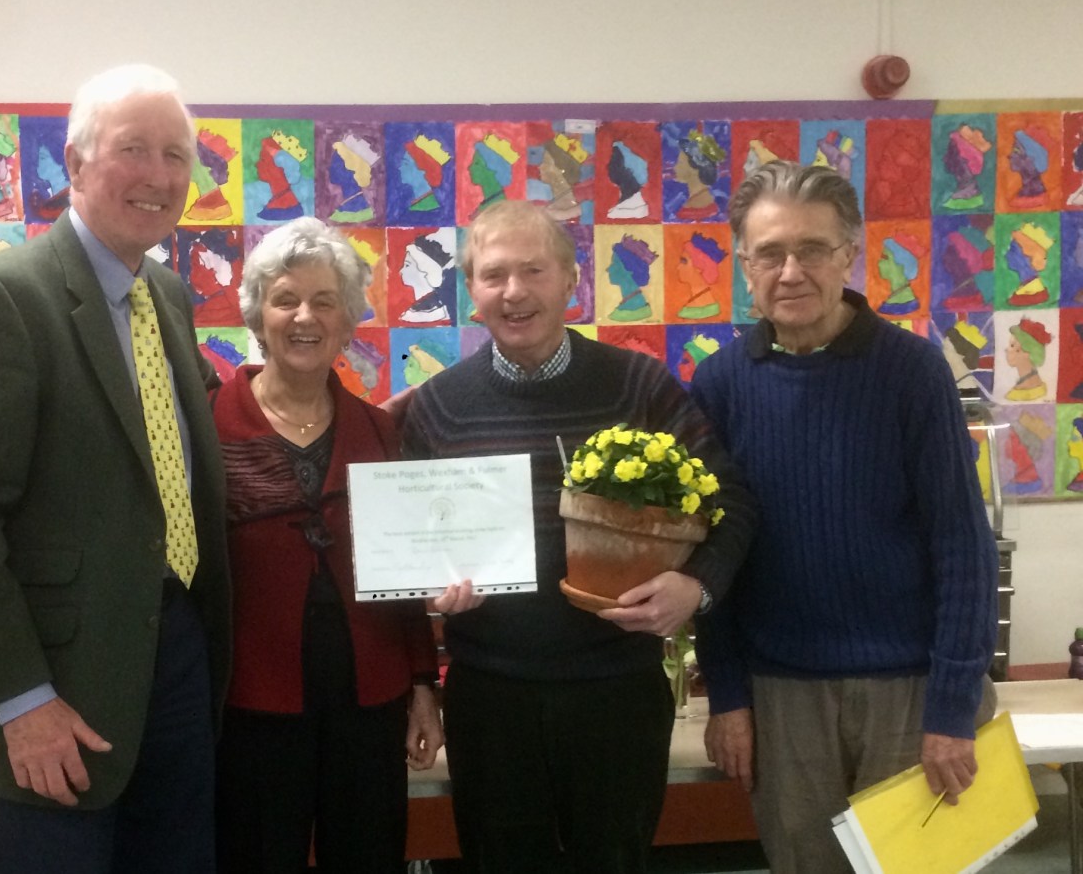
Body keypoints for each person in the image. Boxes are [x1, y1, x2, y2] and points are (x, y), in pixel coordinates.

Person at [0, 64, 232, 874]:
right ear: (77, 162)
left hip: (177, 656)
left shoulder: (168, 296)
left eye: (176, 155)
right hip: (54, 689)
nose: (158, 175)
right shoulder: (1, 297)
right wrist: (22, 701)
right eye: (133, 149)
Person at [401, 199, 755, 874]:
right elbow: (409, 552)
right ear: (471, 290)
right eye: (494, 274)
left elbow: (732, 500)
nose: (514, 291)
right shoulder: (438, 406)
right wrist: (427, 605)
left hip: (617, 693)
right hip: (490, 701)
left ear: (571, 279)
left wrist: (696, 587)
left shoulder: (639, 386)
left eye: (533, 270)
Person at [692, 160, 998, 874]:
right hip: (781, 696)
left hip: (909, 690)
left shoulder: (913, 372)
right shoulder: (720, 383)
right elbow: (712, 553)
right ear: (744, 265)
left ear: (849, 255)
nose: (791, 271)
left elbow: (962, 546)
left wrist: (952, 709)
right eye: (770, 253)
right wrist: (728, 695)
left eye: (813, 249)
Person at [210, 216, 442, 873]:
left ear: (347, 321)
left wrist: (422, 683)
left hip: (370, 699)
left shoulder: (380, 431)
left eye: (324, 301)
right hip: (251, 704)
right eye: (285, 299)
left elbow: (404, 572)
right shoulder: (209, 424)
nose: (304, 317)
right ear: (258, 316)